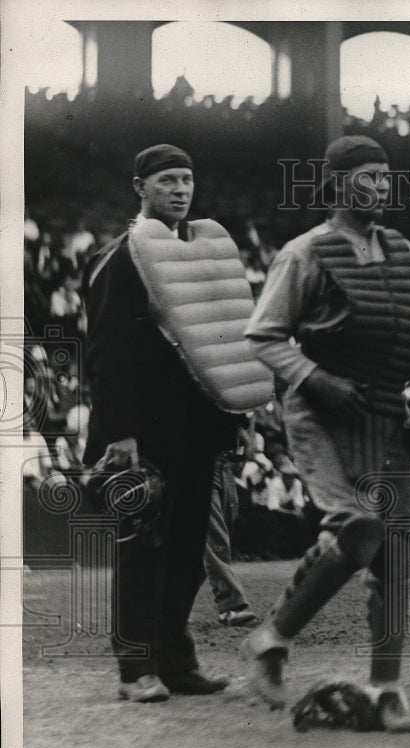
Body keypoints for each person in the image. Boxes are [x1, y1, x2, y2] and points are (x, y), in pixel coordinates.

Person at [241, 135, 410, 730]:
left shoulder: (403, 252)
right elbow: (263, 336)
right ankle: (270, 639)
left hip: (383, 412)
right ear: (338, 184)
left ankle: (386, 688)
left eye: (386, 176)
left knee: (396, 555)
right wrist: (316, 377)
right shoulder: (306, 252)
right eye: (368, 177)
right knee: (357, 528)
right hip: (320, 412)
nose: (382, 186)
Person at [83, 144, 270, 703]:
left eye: (187, 180)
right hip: (145, 428)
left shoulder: (203, 253)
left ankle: (177, 662)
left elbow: (226, 342)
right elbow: (108, 352)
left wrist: (236, 416)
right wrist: (120, 432)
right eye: (167, 181)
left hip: (200, 424)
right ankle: (135, 669)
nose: (181, 190)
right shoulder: (120, 258)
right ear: (139, 187)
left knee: (188, 550)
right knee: (145, 548)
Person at [204, 453, 257, 626]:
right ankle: (231, 604)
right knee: (214, 536)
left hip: (223, 463)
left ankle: (170, 604)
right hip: (193, 460)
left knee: (223, 529)